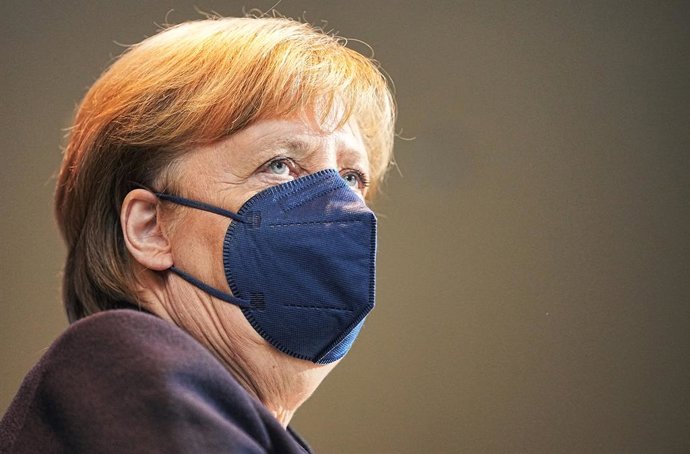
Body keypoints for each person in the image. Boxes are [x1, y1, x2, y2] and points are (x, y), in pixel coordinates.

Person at [0, 16, 395, 453]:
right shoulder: (122, 365)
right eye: (279, 164)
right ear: (151, 227)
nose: (335, 207)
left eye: (351, 177)